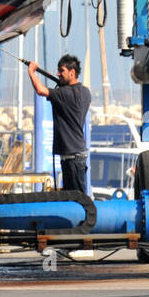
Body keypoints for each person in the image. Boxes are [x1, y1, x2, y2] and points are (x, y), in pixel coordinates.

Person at [27, 54, 92, 193]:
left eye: (61, 71)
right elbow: (66, 94)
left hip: (72, 158)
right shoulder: (86, 92)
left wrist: (32, 71)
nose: (58, 74)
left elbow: (41, 90)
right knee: (75, 197)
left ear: (72, 72)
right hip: (77, 155)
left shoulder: (63, 94)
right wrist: (61, 83)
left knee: (77, 200)